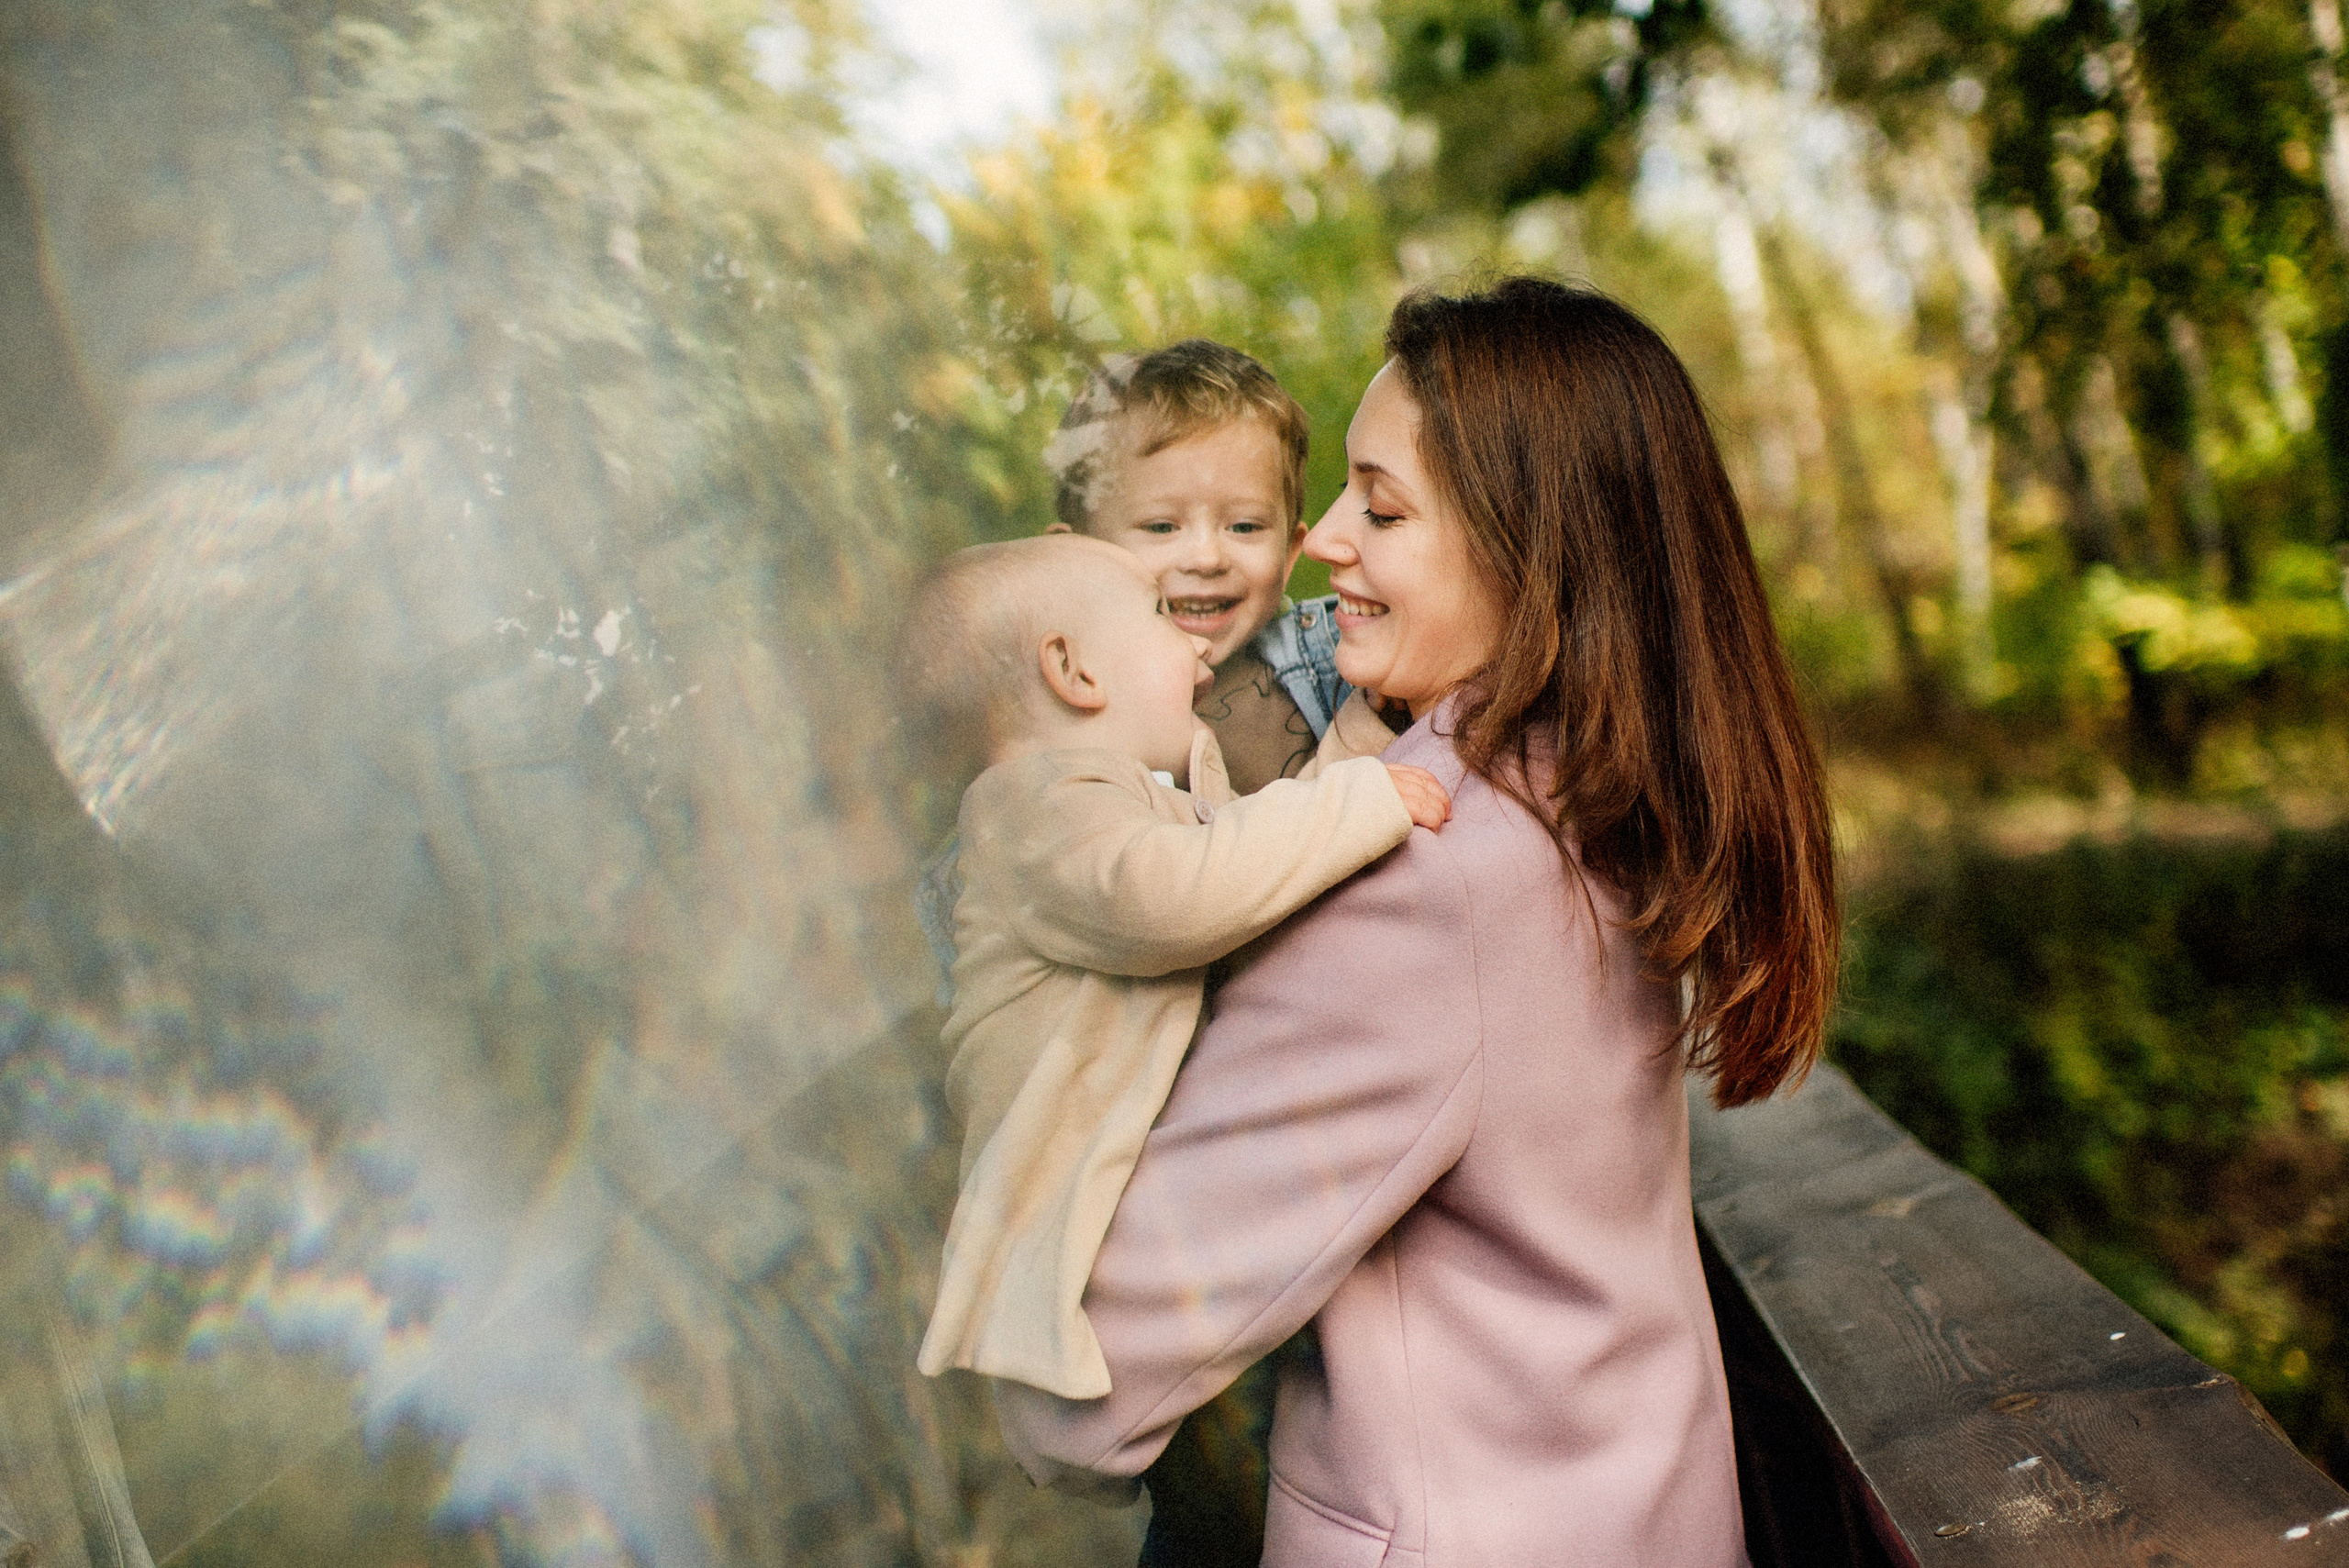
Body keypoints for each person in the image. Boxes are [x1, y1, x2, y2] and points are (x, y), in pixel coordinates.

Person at [993, 278, 1841, 1567]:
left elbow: (1080, 1387)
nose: (1324, 538)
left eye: (1381, 509)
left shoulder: (1417, 878)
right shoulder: (1597, 800)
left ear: (1526, 550)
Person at [901, 532, 1449, 1403]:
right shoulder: (1028, 812)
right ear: (1074, 672)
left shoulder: (1126, 804)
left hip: (1155, 1213)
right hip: (1083, 1239)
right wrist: (1362, 798)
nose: (1197, 647)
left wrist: (1357, 738)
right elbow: (1186, 896)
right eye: (1161, 613)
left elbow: (1256, 865)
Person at [1045, 339, 1355, 795]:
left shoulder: (1345, 666)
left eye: (1245, 526)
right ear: (1074, 559)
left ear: (1289, 554)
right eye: (1161, 527)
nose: (1207, 559)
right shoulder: (1047, 706)